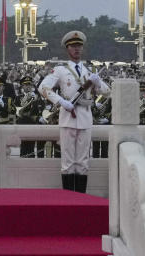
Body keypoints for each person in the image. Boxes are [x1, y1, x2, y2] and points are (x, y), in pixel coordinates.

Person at [39, 30, 109, 193]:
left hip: (85, 117)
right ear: (67, 49)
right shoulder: (60, 70)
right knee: (68, 162)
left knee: (83, 162)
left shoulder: (89, 72)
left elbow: (107, 92)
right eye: (73, 46)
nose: (76, 49)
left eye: (79, 46)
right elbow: (43, 87)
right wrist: (60, 101)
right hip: (67, 117)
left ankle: (81, 198)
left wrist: (97, 83)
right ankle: (69, 199)